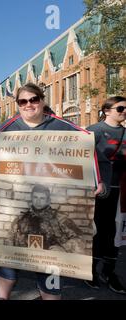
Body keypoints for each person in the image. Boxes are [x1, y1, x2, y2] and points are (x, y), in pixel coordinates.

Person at [0, 82, 111, 300]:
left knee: (51, 267)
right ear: (17, 104)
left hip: (52, 221)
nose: (29, 105)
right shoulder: (5, 129)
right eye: (23, 101)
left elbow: (92, 150)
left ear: (42, 100)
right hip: (15, 210)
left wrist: (99, 181)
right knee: (6, 258)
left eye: (33, 99)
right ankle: (2, 297)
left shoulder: (64, 126)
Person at [86, 96, 126, 294]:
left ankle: (109, 273)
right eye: (120, 108)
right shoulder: (94, 131)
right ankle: (91, 271)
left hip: (122, 190)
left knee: (116, 233)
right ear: (107, 110)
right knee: (98, 231)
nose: (124, 111)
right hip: (101, 190)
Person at [10, 184, 85, 254]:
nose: (38, 201)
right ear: (31, 198)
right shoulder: (20, 219)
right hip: (26, 261)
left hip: (52, 262)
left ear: (48, 200)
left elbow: (80, 239)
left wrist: (63, 248)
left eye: (42, 198)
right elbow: (9, 241)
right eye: (35, 197)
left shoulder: (60, 219)